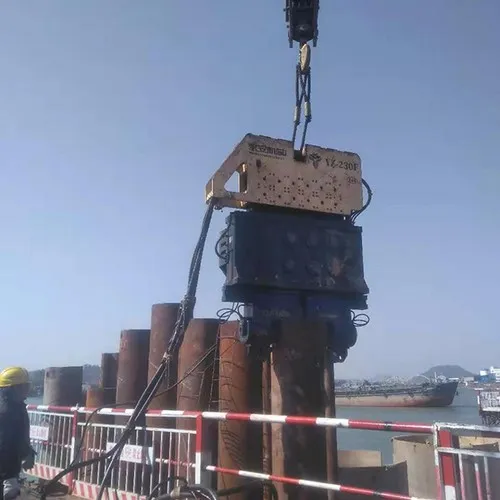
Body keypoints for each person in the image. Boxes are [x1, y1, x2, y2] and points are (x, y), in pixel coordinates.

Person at [0, 367, 36, 500]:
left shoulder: (17, 407)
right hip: (5, 473)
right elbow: (3, 446)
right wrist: (8, 477)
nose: (27, 390)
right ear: (12, 389)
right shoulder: (5, 412)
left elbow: (18, 437)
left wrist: (28, 452)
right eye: (24, 386)